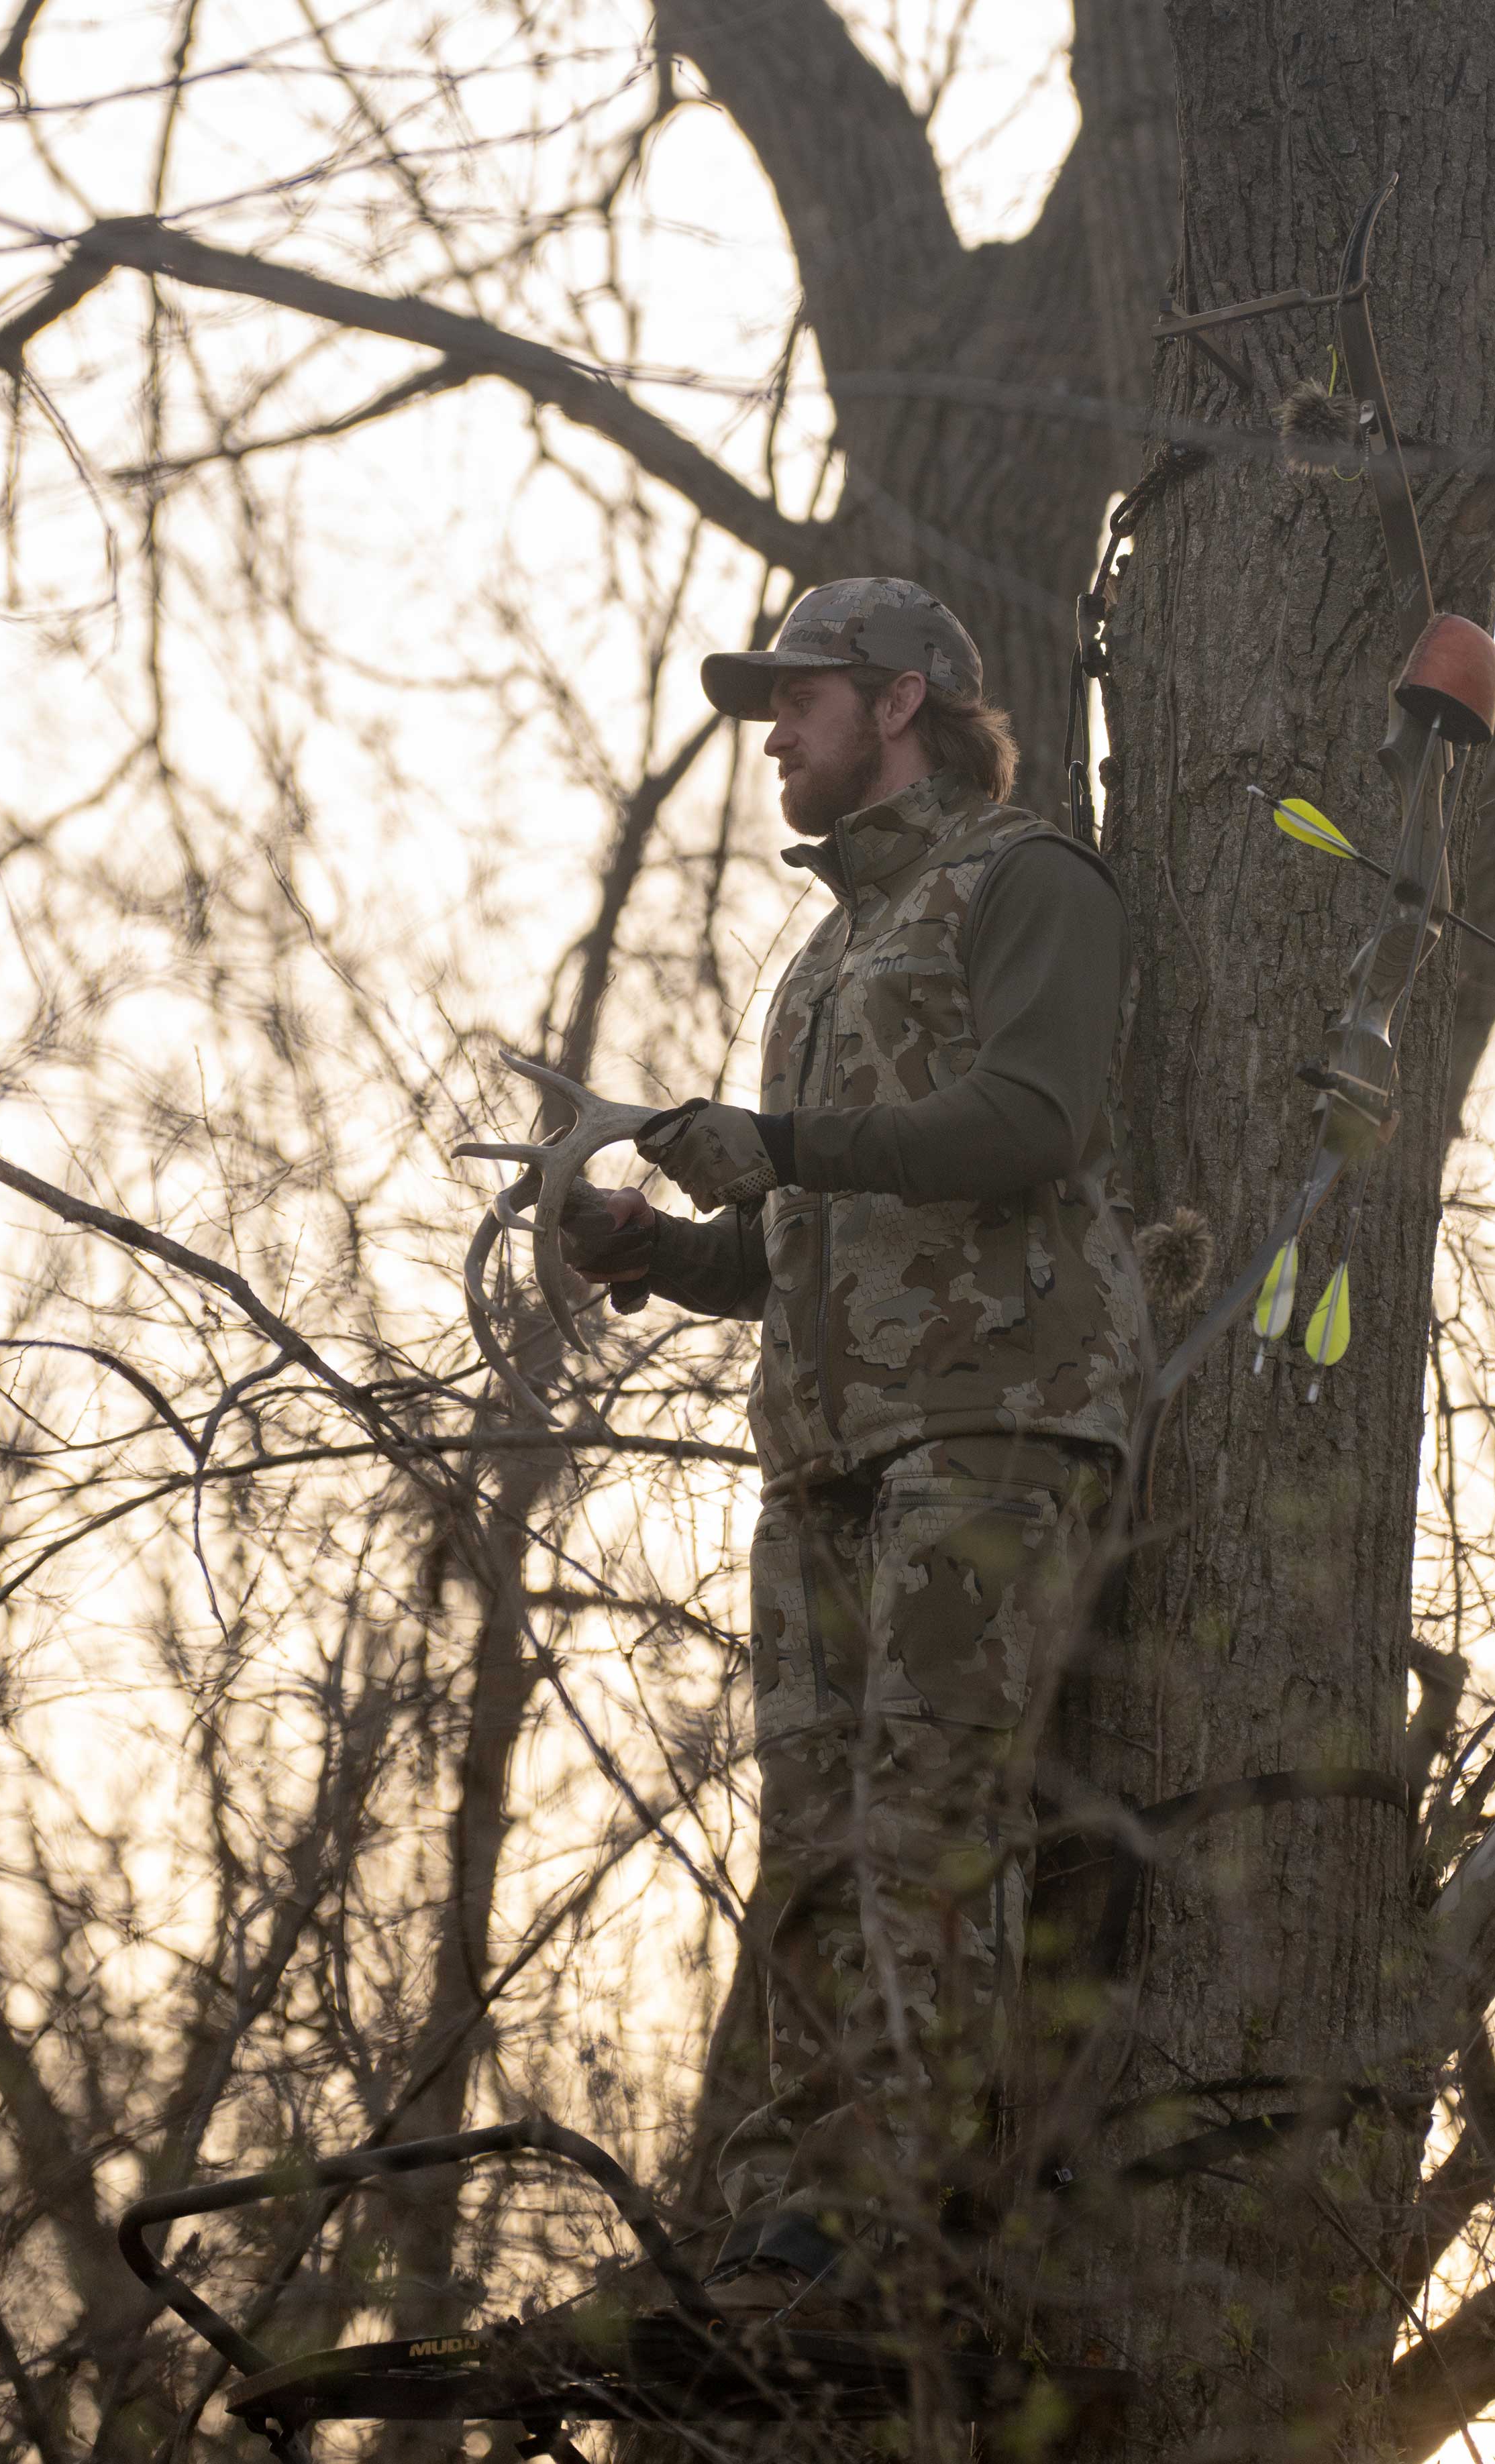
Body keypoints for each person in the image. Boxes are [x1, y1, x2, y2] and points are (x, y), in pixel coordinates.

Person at [562, 576, 1142, 2333]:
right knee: (811, 1848)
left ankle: (897, 2233)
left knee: (922, 1832)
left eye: (795, 694)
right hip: (824, 1454)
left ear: (897, 701)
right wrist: (653, 1246)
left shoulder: (1025, 879)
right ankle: (777, 2229)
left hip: (991, 1427)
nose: (768, 728)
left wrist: (784, 1138)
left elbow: (1038, 1119)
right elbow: (802, 1240)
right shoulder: (822, 957)